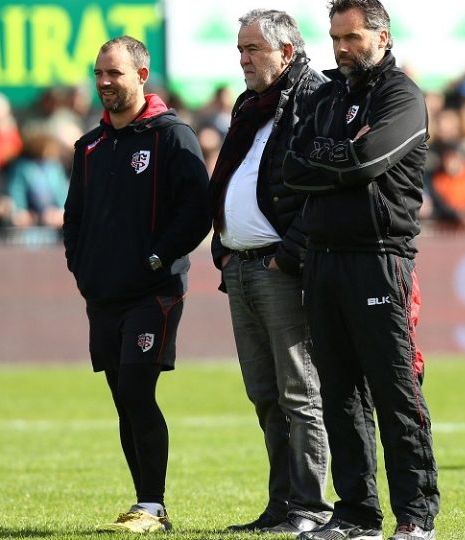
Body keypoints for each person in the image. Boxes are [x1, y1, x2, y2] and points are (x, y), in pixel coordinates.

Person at [282, 1, 439, 539]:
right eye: (334, 38)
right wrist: (340, 160)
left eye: (351, 37)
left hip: (378, 260)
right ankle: (356, 514)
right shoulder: (328, 96)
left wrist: (336, 160)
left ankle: (416, 516)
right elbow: (290, 165)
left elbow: (369, 160)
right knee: (338, 394)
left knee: (395, 391)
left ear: (382, 36)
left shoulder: (402, 96)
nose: (342, 48)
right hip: (322, 260)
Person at [62, 36, 211, 534]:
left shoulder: (171, 136)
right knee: (122, 397)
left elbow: (197, 210)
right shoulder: (89, 147)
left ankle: (152, 505)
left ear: (141, 76)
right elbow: (73, 218)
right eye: (100, 74)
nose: (105, 82)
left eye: (116, 74)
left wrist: (158, 256)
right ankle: (144, 503)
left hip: (155, 291)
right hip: (103, 294)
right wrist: (82, 269)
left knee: (136, 388)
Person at [208, 9, 331, 536]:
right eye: (240, 50)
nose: (243, 60)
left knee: (300, 393)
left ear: (286, 51)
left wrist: (289, 254)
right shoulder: (250, 106)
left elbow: (321, 187)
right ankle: (282, 506)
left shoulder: (314, 96)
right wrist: (225, 249)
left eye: (252, 49)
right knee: (264, 393)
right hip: (242, 266)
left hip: (280, 268)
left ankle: (310, 508)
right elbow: (231, 178)